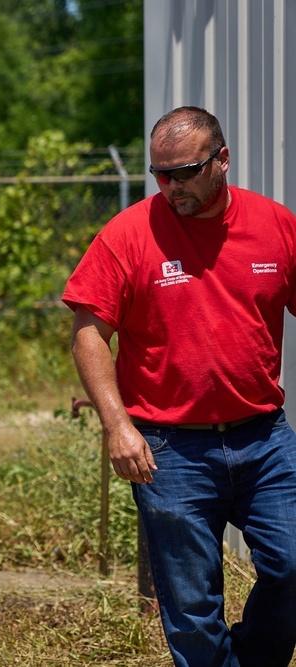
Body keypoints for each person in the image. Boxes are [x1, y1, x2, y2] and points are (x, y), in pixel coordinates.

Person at [64, 106, 296, 666]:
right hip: (169, 450)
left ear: (222, 161)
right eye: (159, 174)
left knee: (292, 565)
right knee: (192, 609)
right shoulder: (127, 234)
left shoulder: (276, 225)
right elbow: (89, 333)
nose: (171, 187)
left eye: (185, 172)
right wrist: (118, 426)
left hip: (264, 440)